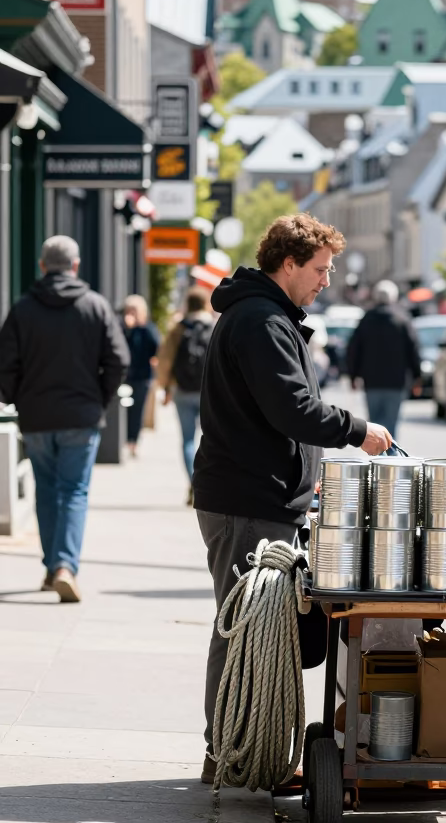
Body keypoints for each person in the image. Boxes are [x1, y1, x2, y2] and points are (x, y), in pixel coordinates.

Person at [192, 214, 393, 783]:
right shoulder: (262, 321)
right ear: (288, 264)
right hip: (246, 499)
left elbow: (276, 416)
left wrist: (310, 477)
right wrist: (359, 431)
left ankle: (231, 752)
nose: (327, 280)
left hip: (258, 494)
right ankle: (228, 754)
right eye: (320, 269)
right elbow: (292, 410)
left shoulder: (267, 316)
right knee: (244, 628)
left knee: (255, 628)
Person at [0, 235, 128, 603]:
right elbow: (118, 361)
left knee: (47, 491)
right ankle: (64, 567)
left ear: (43, 266)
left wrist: (15, 397)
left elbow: (5, 364)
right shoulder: (95, 306)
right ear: (75, 266)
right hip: (81, 416)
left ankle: (52, 566)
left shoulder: (24, 308)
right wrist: (99, 400)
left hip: (38, 417)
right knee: (74, 491)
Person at [156, 287, 214, 502]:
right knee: (208, 438)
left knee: (187, 440)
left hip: (182, 390)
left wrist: (166, 387)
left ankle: (193, 482)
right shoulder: (215, 327)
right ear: (206, 304)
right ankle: (205, 482)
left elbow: (165, 360)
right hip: (207, 393)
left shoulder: (178, 329)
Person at [346, 280, 421, 439]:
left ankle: (378, 458)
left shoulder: (366, 319)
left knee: (375, 425)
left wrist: (353, 376)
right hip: (396, 381)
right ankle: (390, 459)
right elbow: (413, 350)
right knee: (391, 424)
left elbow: (353, 350)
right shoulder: (402, 319)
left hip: (372, 381)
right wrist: (417, 376)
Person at [121, 295, 160, 458]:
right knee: (124, 410)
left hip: (142, 376)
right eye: (129, 310)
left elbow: (156, 346)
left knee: (137, 410)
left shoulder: (148, 328)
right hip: (124, 376)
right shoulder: (122, 328)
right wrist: (127, 328)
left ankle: (133, 442)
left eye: (134, 311)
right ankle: (123, 439)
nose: (131, 314)